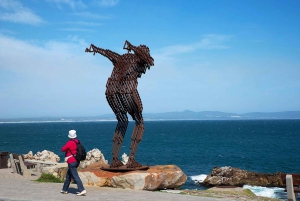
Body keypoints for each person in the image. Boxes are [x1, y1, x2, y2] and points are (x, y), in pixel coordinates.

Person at [61, 130, 86, 196]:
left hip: (71, 162)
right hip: (77, 161)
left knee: (75, 176)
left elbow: (63, 149)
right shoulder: (78, 141)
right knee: (69, 175)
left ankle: (82, 190)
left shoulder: (70, 143)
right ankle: (64, 189)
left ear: (69, 136)